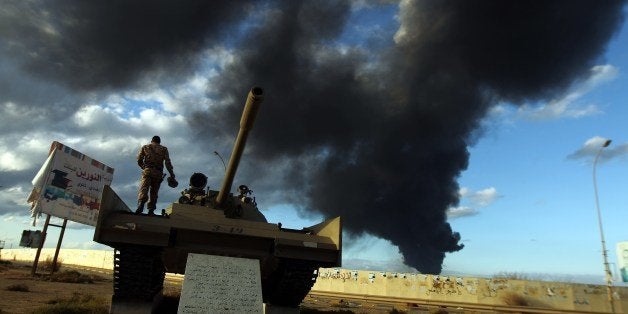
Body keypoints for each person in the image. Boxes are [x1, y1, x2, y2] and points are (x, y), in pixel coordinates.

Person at [136, 135, 175, 215]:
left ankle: (141, 206)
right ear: (159, 142)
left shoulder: (145, 147)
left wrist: (144, 167)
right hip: (158, 173)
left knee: (144, 188)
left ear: (152, 141)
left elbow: (139, 159)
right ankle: (151, 210)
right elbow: (167, 162)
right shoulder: (164, 149)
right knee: (154, 192)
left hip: (148, 171)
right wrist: (171, 174)